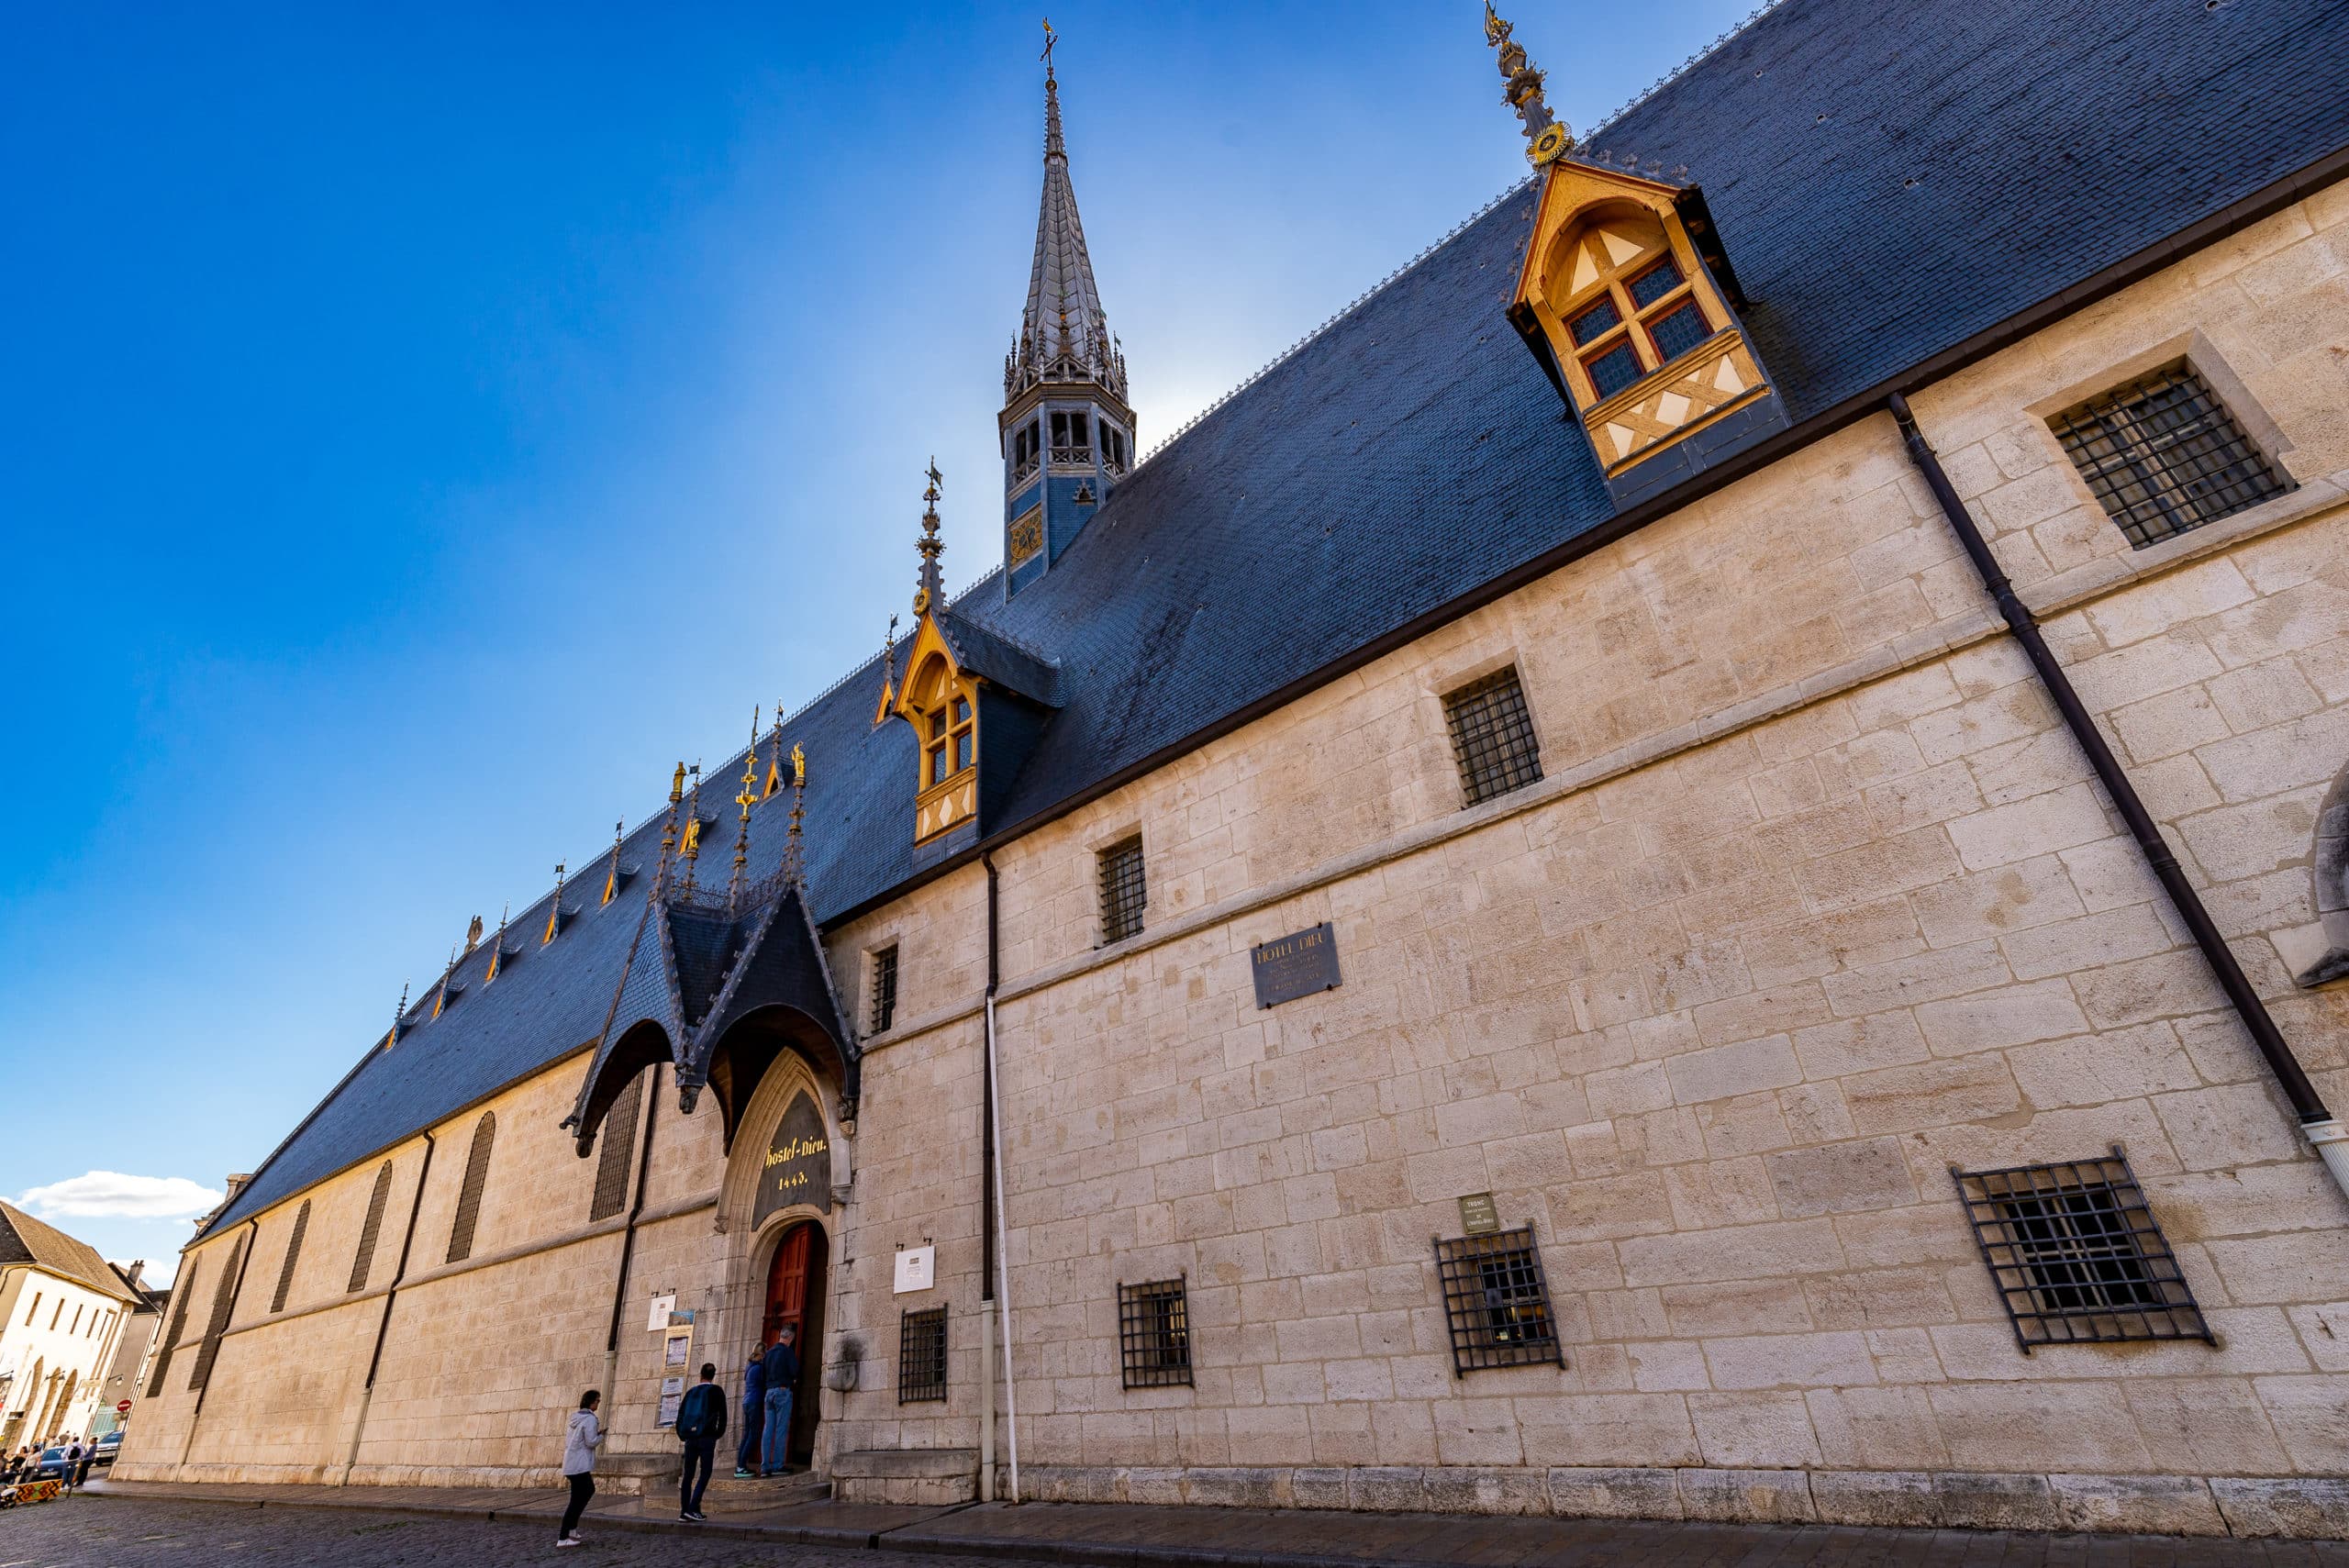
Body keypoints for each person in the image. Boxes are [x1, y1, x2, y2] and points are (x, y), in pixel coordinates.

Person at [673, 1362, 726, 1521]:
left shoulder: (691, 1392)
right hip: (707, 1437)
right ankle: (693, 1506)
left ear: (700, 1374)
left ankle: (684, 1510)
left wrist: (683, 1435)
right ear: (713, 1375)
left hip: (690, 1438)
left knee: (688, 1474)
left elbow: (680, 1415)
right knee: (705, 1472)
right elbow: (723, 1416)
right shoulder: (716, 1391)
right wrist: (717, 1434)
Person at [556, 1390, 602, 1548]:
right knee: (579, 1498)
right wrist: (601, 1436)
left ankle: (572, 1530)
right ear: (591, 1402)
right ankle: (563, 1537)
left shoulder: (576, 1417)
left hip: (572, 1464)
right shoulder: (590, 1419)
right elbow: (591, 1442)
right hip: (580, 1465)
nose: (598, 1403)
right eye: (597, 1401)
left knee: (582, 1495)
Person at [757, 1325, 799, 1479]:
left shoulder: (769, 1353)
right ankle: (778, 1465)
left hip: (769, 1393)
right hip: (782, 1391)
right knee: (781, 1429)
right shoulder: (787, 1351)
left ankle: (764, 1466)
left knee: (768, 1429)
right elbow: (794, 1370)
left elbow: (762, 1375)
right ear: (790, 1338)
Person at [733, 1345, 766, 1478]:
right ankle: (741, 1466)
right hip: (754, 1402)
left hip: (747, 1401)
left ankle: (740, 1465)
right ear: (762, 1353)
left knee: (747, 1434)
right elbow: (763, 1383)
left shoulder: (750, 1367)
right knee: (753, 1434)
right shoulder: (758, 1368)